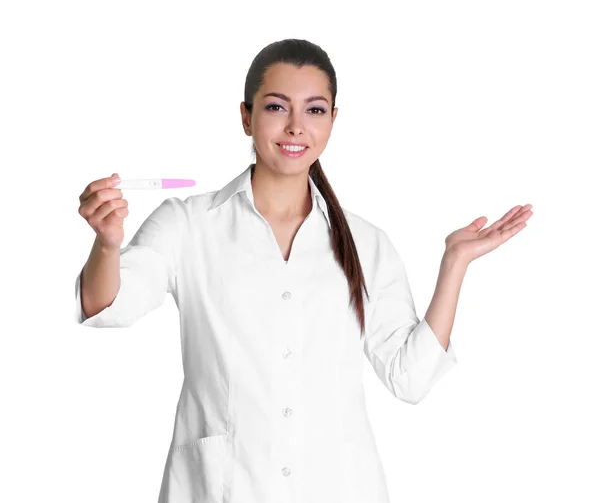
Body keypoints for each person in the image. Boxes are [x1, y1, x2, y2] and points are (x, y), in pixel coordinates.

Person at [75, 38, 533, 503]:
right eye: (277, 106)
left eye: (315, 110)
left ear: (334, 119)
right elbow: (107, 305)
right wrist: (107, 244)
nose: (296, 127)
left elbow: (409, 378)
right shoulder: (189, 225)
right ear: (246, 116)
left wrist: (454, 264)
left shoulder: (366, 243)